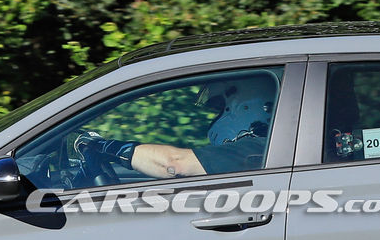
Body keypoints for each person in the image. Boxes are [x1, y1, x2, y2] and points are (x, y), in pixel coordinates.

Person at [70, 72, 276, 180]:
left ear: (246, 106)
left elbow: (174, 165)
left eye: (220, 107)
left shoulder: (253, 150)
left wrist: (105, 147)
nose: (216, 116)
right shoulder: (269, 150)